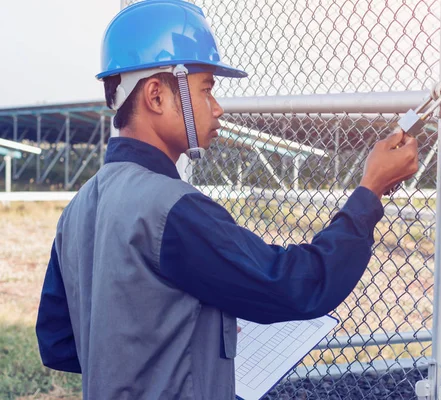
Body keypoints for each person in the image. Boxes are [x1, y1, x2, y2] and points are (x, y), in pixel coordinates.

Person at [35, 0, 419, 399]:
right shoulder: (173, 208)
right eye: (207, 90)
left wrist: (181, 331)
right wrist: (370, 190)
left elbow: (59, 340)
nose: (218, 108)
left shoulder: (80, 205)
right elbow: (299, 285)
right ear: (156, 96)